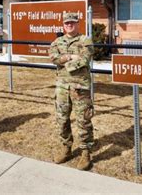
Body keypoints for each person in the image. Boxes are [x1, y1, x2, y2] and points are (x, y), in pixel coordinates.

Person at [49, 12, 94, 170]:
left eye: (72, 22)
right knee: (62, 120)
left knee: (83, 120)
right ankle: (66, 149)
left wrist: (65, 61)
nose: (69, 25)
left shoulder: (85, 40)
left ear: (77, 23)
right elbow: (53, 57)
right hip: (62, 87)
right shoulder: (57, 41)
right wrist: (70, 57)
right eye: (67, 23)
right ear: (63, 24)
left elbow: (85, 59)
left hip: (80, 87)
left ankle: (85, 153)